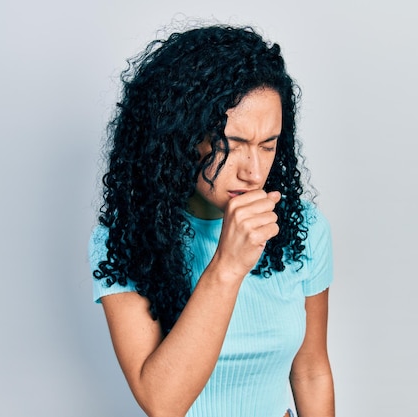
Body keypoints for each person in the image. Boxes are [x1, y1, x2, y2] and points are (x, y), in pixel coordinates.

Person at [89, 23, 334, 417]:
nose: (253, 171)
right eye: (232, 146)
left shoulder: (301, 228)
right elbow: (161, 402)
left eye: (268, 145)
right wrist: (228, 265)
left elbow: (311, 369)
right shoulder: (123, 240)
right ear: (182, 139)